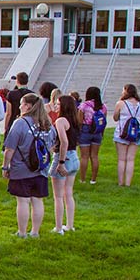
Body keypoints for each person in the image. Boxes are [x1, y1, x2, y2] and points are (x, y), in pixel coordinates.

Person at [3, 93, 56, 238]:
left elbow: (10, 148)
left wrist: (5, 166)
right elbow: (52, 144)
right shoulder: (47, 124)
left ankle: (22, 232)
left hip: (21, 168)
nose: (20, 106)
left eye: (22, 103)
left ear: (27, 106)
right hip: (41, 168)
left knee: (23, 201)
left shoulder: (20, 123)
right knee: (37, 200)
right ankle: (35, 232)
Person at [50, 95, 80, 234]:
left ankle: (58, 227)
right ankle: (69, 225)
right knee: (68, 193)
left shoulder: (60, 121)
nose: (55, 106)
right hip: (74, 156)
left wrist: (61, 162)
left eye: (57, 104)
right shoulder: (74, 120)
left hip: (64, 157)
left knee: (58, 196)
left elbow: (64, 142)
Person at [113, 84, 140, 187]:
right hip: (136, 133)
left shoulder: (121, 103)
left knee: (122, 159)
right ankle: (128, 183)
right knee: (131, 159)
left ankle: (120, 182)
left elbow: (115, 117)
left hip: (122, 133)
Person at [77, 86, 108, 184]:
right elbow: (104, 122)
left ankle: (82, 179)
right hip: (97, 132)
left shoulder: (84, 106)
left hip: (86, 130)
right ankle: (93, 179)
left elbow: (79, 121)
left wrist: (79, 133)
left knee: (84, 156)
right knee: (94, 156)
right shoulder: (103, 107)